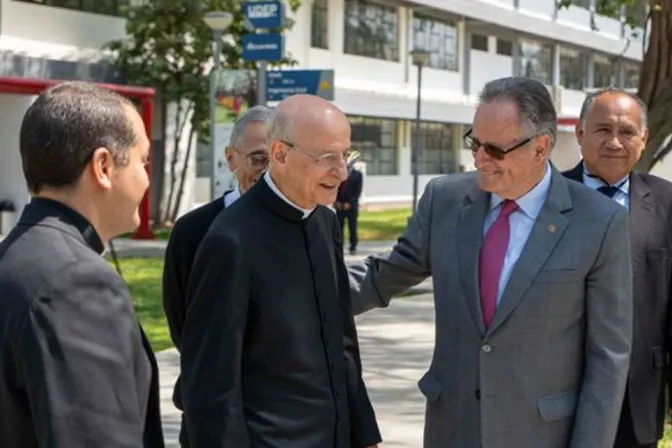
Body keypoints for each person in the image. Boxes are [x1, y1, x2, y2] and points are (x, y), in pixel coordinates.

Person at [349, 76, 633, 447]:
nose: (481, 159)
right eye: (475, 143)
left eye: (496, 150)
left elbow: (607, 358)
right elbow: (384, 274)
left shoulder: (599, 221)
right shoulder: (445, 200)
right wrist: (296, 289)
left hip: (542, 434)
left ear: (540, 147)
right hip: (454, 428)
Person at [180, 94, 382, 448]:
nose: (342, 172)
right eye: (326, 158)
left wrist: (365, 434)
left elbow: (342, 341)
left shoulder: (324, 222)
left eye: (345, 155)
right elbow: (211, 382)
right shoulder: (231, 239)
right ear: (280, 154)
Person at [0, 82, 164, 447]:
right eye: (143, 161)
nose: (146, 178)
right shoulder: (77, 283)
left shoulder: (15, 258)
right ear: (103, 166)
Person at [564, 87, 672, 448]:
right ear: (580, 134)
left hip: (637, 393)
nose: (614, 142)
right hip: (552, 392)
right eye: (602, 130)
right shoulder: (545, 197)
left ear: (644, 138)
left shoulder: (667, 203)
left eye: (627, 132)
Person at [162, 104, 273, 446]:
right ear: (231, 158)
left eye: (276, 158)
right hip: (212, 413)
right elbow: (184, 324)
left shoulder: (310, 226)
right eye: (257, 159)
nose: (267, 172)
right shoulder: (193, 231)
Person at [334, 163, 363, 254]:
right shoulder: (339, 173)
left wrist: (350, 203)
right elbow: (335, 187)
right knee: (339, 228)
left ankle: (353, 246)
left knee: (352, 227)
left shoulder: (357, 174)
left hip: (351, 207)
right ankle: (339, 247)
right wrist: (336, 201)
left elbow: (358, 191)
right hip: (340, 205)